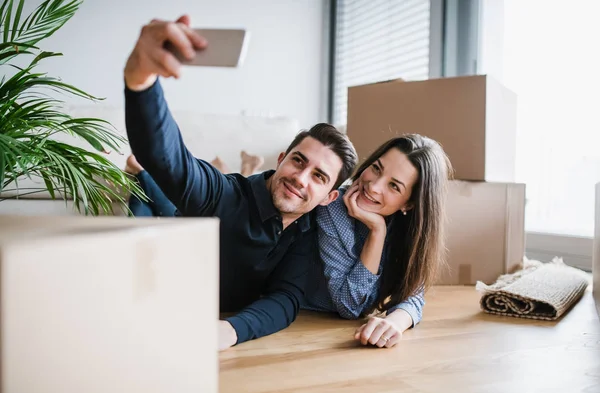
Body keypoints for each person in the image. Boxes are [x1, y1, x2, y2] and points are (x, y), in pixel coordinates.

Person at [123, 14, 358, 351]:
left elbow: (287, 297)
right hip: (172, 272)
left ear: (328, 196)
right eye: (298, 161)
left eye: (318, 176)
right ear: (281, 160)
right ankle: (141, 176)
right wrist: (141, 79)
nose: (300, 178)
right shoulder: (226, 193)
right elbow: (171, 160)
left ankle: (142, 178)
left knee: (165, 201)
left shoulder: (307, 230)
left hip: (212, 307)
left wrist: (230, 330)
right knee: (145, 212)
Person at [303, 134, 453, 348]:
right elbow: (349, 306)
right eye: (376, 168)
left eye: (394, 186)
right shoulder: (333, 205)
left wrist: (396, 322)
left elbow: (412, 294)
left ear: (409, 204)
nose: (374, 186)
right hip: (306, 320)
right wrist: (377, 232)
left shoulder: (407, 228)